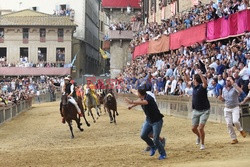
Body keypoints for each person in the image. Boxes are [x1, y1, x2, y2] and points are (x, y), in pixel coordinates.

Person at [125, 86, 166, 160]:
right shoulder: (142, 96)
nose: (137, 93)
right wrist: (131, 106)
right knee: (143, 135)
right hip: (149, 120)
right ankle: (153, 147)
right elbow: (139, 100)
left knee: (156, 138)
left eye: (138, 92)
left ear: (141, 93)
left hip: (157, 121)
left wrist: (131, 102)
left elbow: (144, 102)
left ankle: (163, 154)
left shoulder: (148, 98)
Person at [184, 69, 210, 150]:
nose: (192, 79)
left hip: (204, 110)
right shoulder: (193, 85)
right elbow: (187, 81)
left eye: (193, 78)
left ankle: (202, 144)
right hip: (196, 110)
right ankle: (199, 136)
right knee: (193, 128)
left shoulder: (201, 86)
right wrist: (184, 73)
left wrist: (200, 74)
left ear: (195, 80)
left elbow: (205, 83)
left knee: (200, 128)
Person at [218, 76, 247, 144]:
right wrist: (221, 99)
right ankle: (234, 138)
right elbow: (224, 99)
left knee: (235, 121)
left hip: (235, 107)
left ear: (232, 81)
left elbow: (241, 91)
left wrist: (234, 83)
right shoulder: (224, 88)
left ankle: (241, 130)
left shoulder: (235, 87)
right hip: (227, 108)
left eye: (229, 80)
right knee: (229, 124)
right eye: (227, 80)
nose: (227, 81)